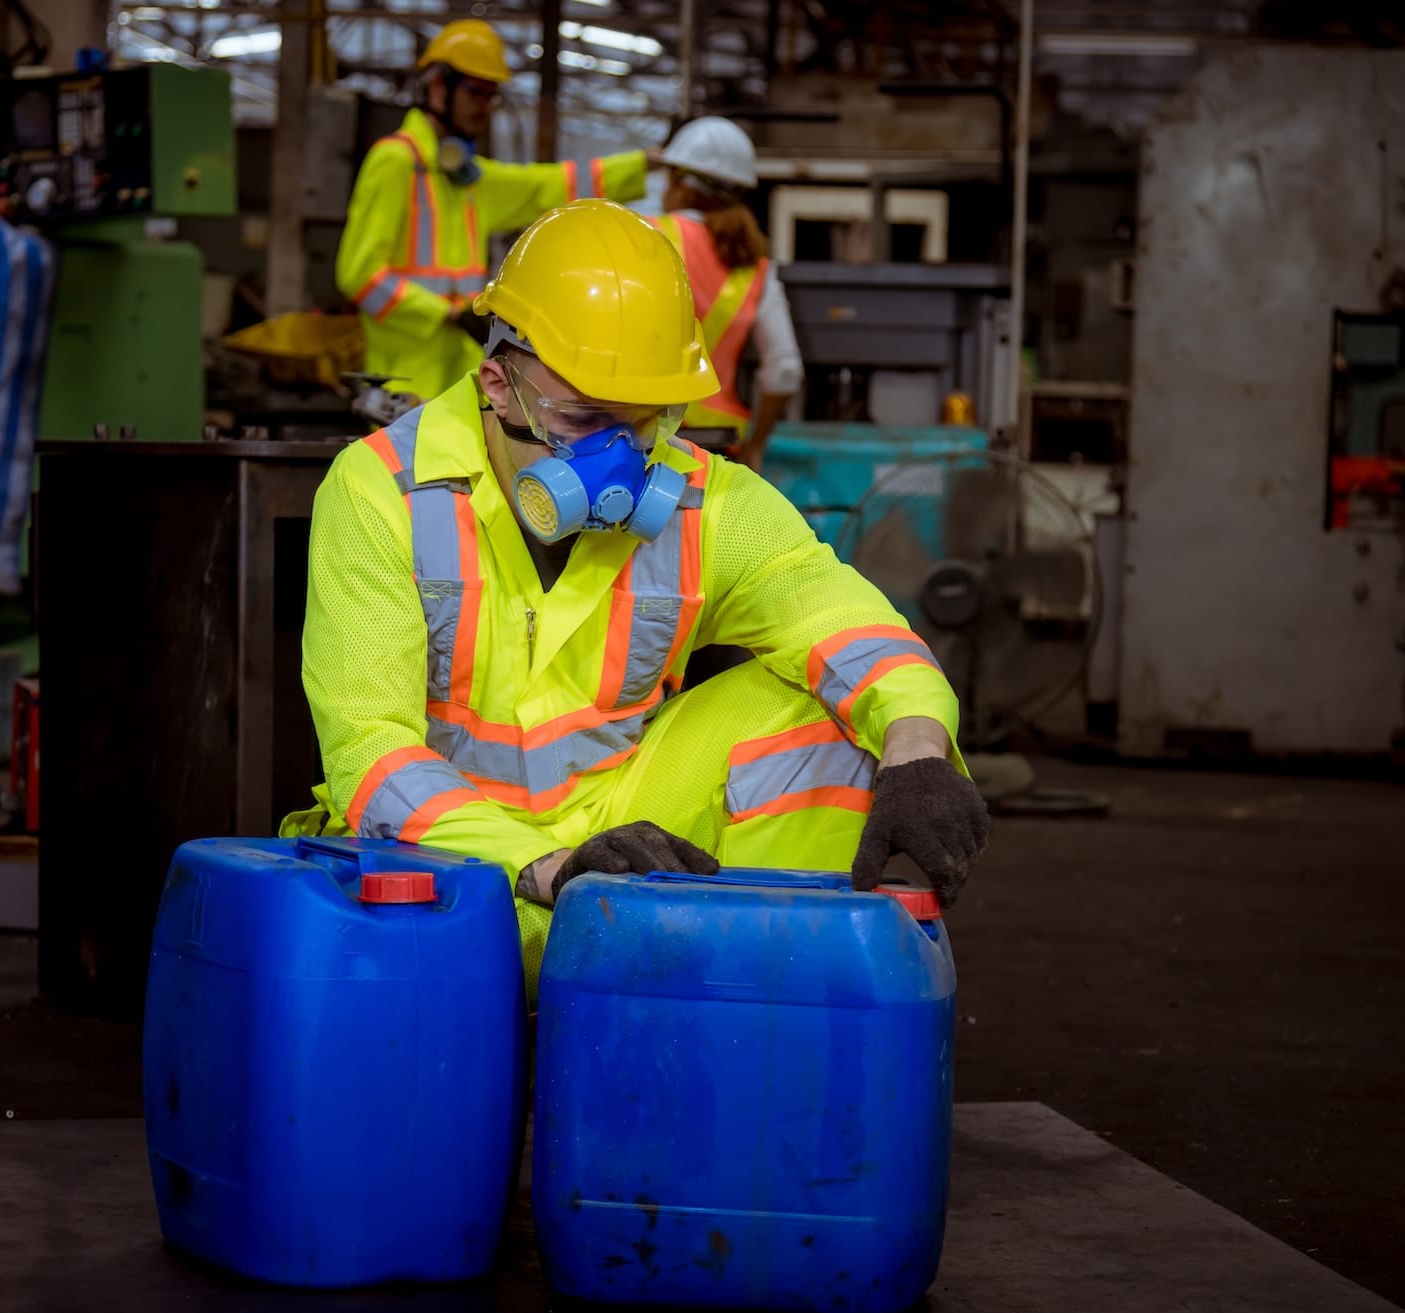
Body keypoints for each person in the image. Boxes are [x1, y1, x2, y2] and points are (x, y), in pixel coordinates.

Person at [287, 200, 989, 997]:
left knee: (835, 715)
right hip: (449, 870)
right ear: (497, 384)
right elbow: (368, 750)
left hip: (630, 846)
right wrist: (542, 865)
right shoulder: (382, 492)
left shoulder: (704, 502)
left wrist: (917, 753)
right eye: (584, 419)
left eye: (645, 422)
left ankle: (760, 1007)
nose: (619, 461)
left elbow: (847, 623)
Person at [335, 19, 651, 402]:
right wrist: (445, 313)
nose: (485, 108)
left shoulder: (466, 179)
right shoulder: (396, 161)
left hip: (458, 381)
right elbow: (359, 275)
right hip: (403, 384)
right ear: (438, 86)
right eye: (476, 93)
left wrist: (645, 164)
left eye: (491, 96)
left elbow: (548, 186)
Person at [649, 117, 801, 472]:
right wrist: (756, 446)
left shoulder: (648, 237)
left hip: (648, 435)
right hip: (719, 448)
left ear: (681, 184)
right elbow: (785, 370)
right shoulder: (755, 265)